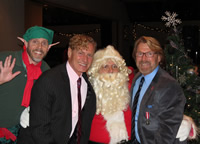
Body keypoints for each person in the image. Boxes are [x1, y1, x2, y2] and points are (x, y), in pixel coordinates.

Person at [18, 34, 97, 144]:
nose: (85, 59)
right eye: (80, 53)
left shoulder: (87, 86)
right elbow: (40, 129)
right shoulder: (49, 80)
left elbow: (81, 126)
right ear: (69, 53)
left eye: (89, 55)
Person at [0, 25, 58, 144]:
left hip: (25, 132)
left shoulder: (46, 69)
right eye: (35, 41)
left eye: (44, 43)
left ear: (49, 47)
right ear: (25, 43)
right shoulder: (6, 58)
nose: (39, 47)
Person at [130, 36, 186, 144]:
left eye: (150, 54)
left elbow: (167, 131)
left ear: (159, 57)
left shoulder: (169, 85)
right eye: (140, 53)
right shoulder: (137, 79)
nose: (144, 59)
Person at [87, 45, 132, 144]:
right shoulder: (87, 91)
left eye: (114, 66)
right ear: (97, 70)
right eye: (105, 66)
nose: (110, 70)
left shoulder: (129, 89)